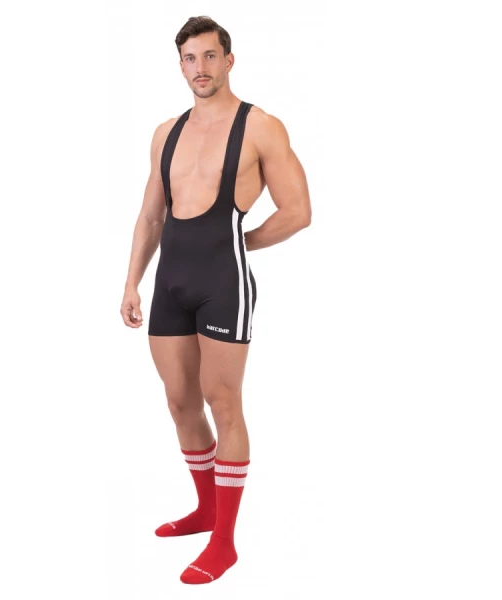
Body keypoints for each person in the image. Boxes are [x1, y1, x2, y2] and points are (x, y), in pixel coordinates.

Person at [120, 16, 312, 584]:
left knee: (222, 401)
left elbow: (299, 211)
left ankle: (224, 542)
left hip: (224, 282)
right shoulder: (165, 132)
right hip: (170, 283)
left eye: (209, 56)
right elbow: (150, 215)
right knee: (180, 401)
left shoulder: (261, 127)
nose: (199, 68)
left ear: (229, 60)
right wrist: (131, 282)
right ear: (180, 66)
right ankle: (205, 508)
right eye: (189, 58)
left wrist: (242, 243)